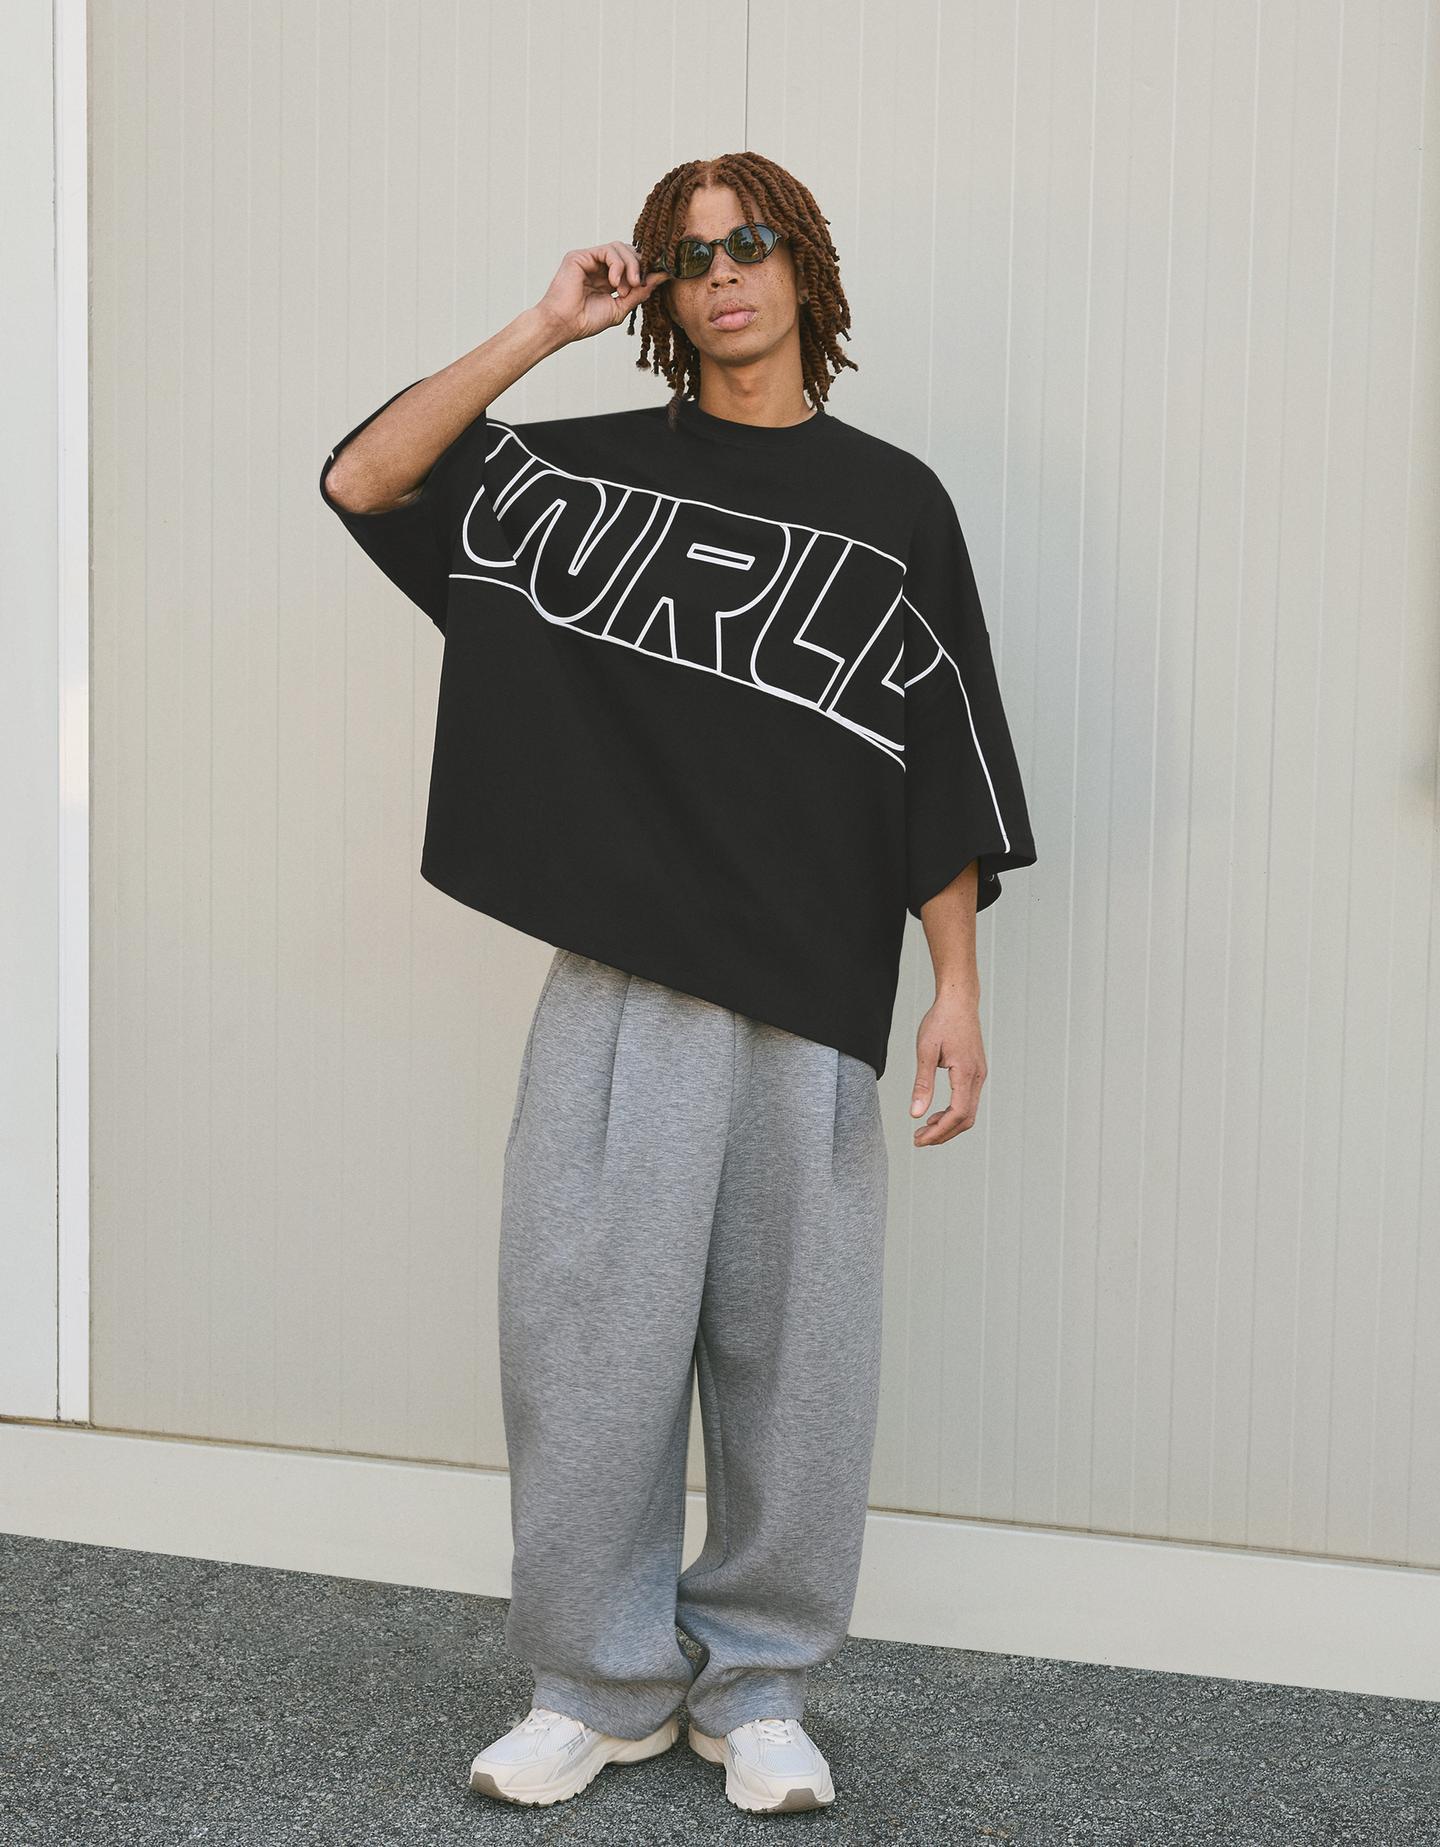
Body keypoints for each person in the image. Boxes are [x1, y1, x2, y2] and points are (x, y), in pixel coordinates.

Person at [319, 151, 1036, 1817]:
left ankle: (761, 1688)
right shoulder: (589, 479)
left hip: (808, 997)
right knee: (587, 1354)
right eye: (689, 252)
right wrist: (540, 331)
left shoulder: (894, 501)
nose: (725, 272)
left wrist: (956, 987)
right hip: (621, 989)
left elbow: (935, 765)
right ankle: (599, 1685)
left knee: (799, 1369)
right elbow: (368, 477)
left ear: (805, 269)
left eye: (753, 242)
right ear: (657, 285)